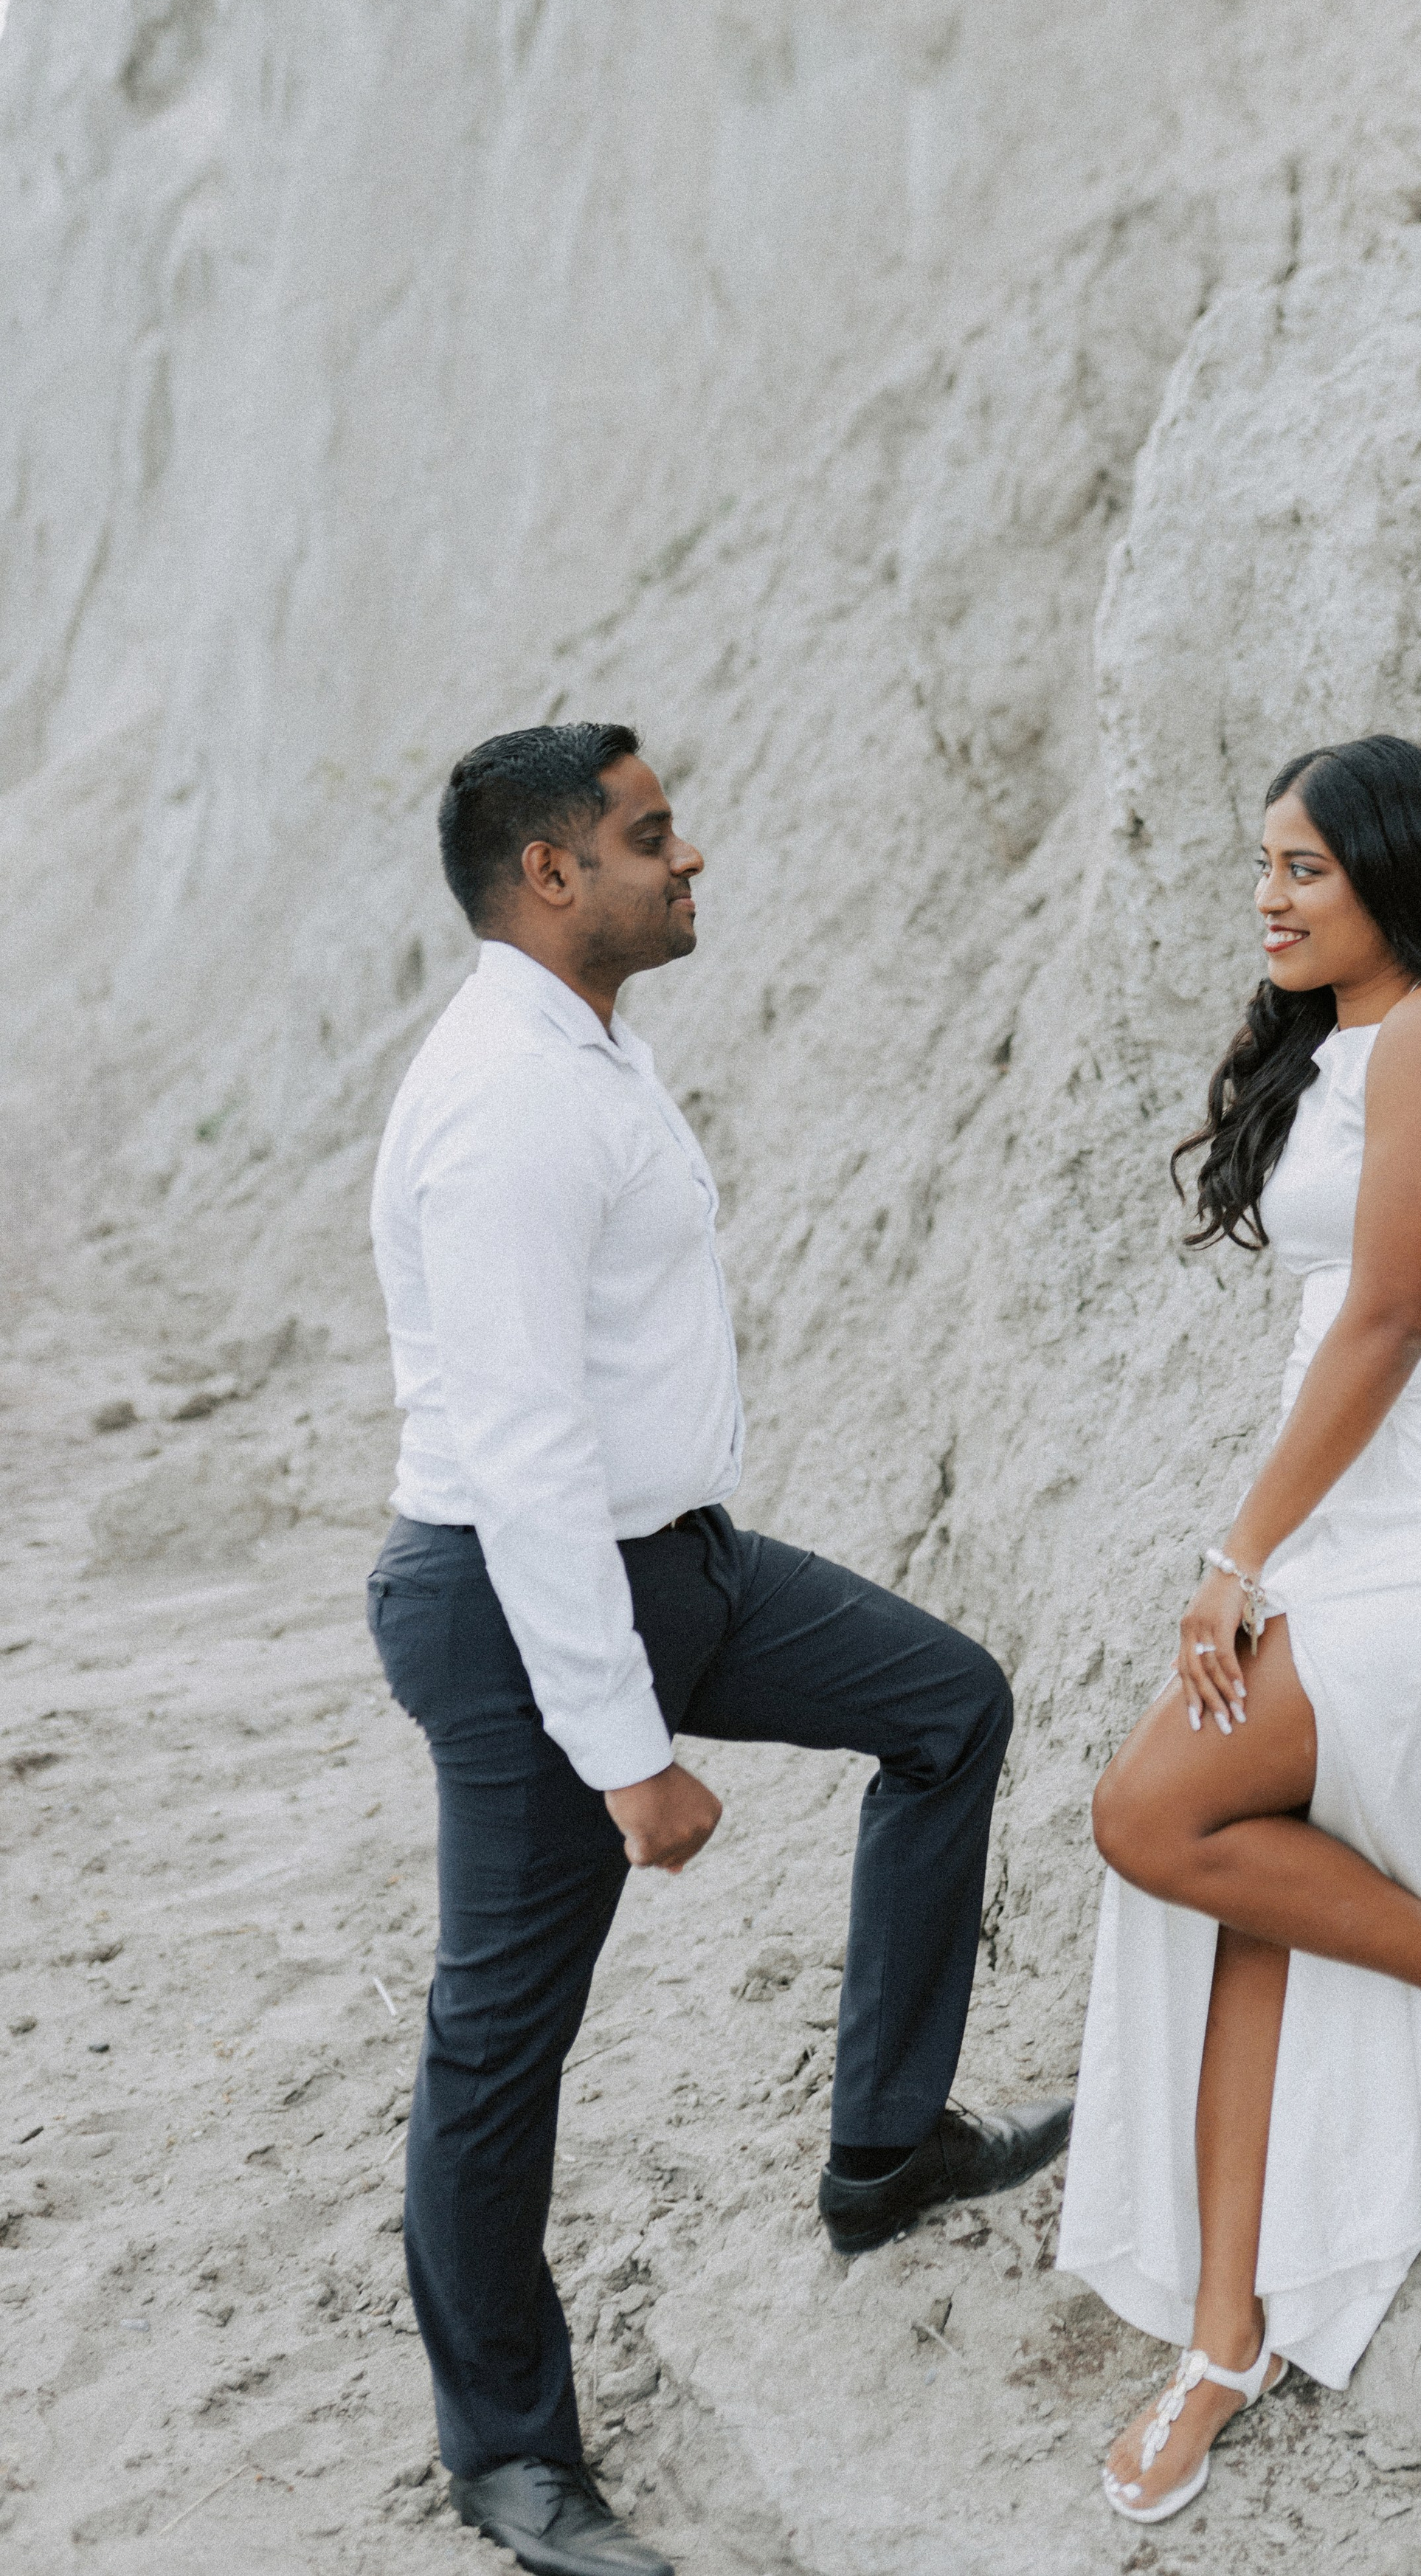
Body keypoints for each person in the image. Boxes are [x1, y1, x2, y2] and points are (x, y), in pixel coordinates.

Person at [366, 721, 1069, 2576]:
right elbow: (517, 1457)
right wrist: (626, 1752)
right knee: (499, 2041)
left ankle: (881, 2153)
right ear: (547, 874)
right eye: (652, 837)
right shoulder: (506, 1099)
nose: (692, 864)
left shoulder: (589, 1048)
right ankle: (509, 2456)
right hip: (523, 1609)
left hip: (676, 1564)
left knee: (945, 1703)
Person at [1054, 736, 1421, 2530]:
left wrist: (1234, 1554)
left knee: (1156, 1819)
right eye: (1261, 865)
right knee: (1234, 1888)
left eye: (1303, 866)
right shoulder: (1362, 1050)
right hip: (1351, 1514)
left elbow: (1384, 1316)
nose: (1268, 896)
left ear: (1393, 868)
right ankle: (1223, 2333)